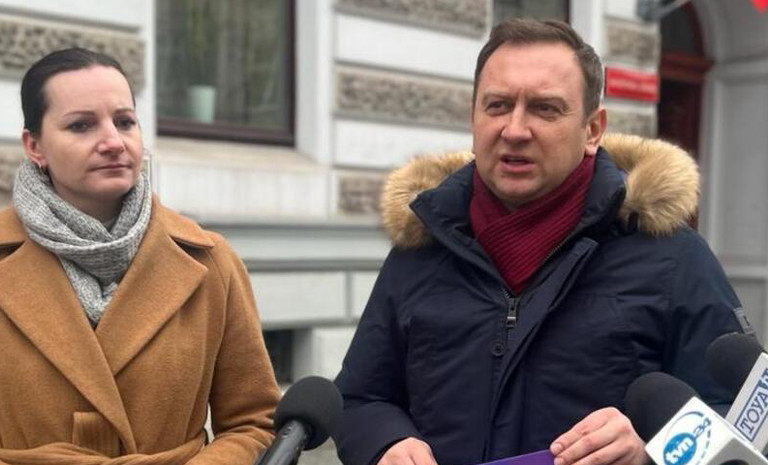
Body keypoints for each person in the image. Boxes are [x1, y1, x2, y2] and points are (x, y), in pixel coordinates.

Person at [333, 18, 750, 465]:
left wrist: (656, 451)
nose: (514, 129)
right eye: (497, 106)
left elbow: (744, 419)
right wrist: (386, 443)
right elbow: (358, 399)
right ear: (473, 117)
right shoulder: (421, 248)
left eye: (545, 109)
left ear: (593, 130)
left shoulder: (671, 256)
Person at [0, 47, 280, 464]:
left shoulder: (210, 263)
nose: (113, 142)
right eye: (81, 125)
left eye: (125, 122)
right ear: (34, 145)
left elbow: (253, 423)